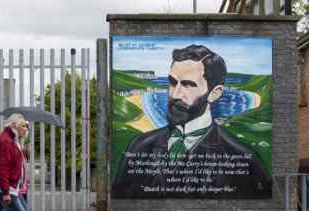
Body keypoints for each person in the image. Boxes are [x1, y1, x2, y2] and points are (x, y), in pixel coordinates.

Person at [112, 44, 271, 199]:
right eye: (173, 82)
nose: (175, 95)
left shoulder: (244, 158)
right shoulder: (139, 146)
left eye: (188, 85)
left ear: (215, 94)